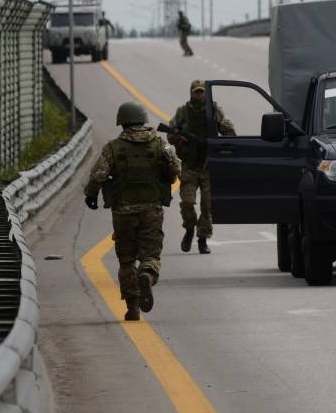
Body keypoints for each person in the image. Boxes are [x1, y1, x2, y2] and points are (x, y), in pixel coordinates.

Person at [84, 101, 181, 321]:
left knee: (126, 260)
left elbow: (98, 175)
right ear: (143, 118)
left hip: (123, 211)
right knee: (151, 254)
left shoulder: (113, 147)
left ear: (123, 121)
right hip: (151, 208)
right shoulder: (160, 144)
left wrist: (91, 195)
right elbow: (175, 170)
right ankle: (147, 273)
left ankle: (133, 307)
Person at [167, 80, 236, 254]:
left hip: (208, 165)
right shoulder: (183, 112)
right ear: (191, 93)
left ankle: (203, 238)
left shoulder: (214, 111)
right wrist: (179, 138)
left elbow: (228, 131)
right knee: (187, 202)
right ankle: (190, 229)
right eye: (196, 92)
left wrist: (220, 145)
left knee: (207, 205)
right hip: (189, 165)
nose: (199, 95)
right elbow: (170, 134)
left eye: (202, 92)